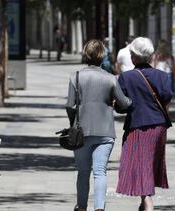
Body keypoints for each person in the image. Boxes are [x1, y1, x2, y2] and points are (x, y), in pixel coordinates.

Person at [66, 39, 132, 211]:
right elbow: (124, 103)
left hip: (82, 132)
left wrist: (73, 122)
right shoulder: (110, 79)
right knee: (100, 172)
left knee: (83, 172)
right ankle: (99, 208)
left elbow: (70, 105)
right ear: (102, 56)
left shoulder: (76, 77)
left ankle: (81, 207)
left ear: (85, 54)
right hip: (105, 132)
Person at [116, 37, 173, 211]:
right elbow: (167, 98)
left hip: (137, 125)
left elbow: (120, 106)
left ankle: (148, 202)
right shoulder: (162, 76)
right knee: (150, 162)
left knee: (140, 164)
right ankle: (144, 202)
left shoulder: (126, 78)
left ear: (133, 57)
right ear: (150, 56)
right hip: (159, 125)